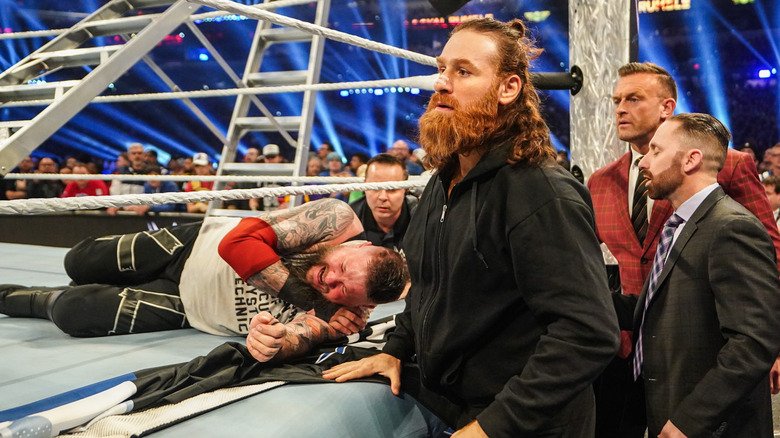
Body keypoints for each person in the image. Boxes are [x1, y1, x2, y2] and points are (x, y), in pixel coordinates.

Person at [250, 18, 620, 437]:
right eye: (442, 68)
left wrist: (495, 425)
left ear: (508, 89)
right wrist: (396, 350)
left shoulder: (539, 191)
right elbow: (428, 290)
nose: (442, 82)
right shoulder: (442, 184)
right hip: (457, 404)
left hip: (529, 422)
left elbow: (587, 332)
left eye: (463, 71)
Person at [587, 61, 780, 438]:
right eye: (616, 100)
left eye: (634, 98)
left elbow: (767, 254)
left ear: (666, 106)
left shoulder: (725, 180)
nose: (621, 108)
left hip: (706, 360)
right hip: (629, 356)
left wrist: (775, 344)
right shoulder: (600, 182)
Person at [0, 199, 408, 341]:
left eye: (342, 290)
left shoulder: (353, 310)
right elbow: (237, 244)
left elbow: (300, 340)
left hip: (194, 308)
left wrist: (285, 338)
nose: (329, 281)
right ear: (359, 246)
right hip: (193, 250)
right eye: (340, 268)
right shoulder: (334, 221)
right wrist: (307, 299)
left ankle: (21, 298)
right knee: (79, 260)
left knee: (71, 309)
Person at [349, 153, 416, 255]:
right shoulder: (349, 220)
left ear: (406, 188)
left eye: (391, 189)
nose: (383, 197)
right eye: (375, 188)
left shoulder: (421, 217)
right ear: (364, 186)